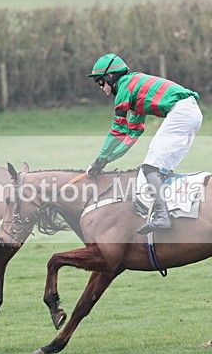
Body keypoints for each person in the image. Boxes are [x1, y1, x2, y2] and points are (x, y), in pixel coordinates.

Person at [85, 53, 203, 234]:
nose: (101, 87)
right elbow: (131, 136)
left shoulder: (124, 88)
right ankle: (172, 213)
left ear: (111, 76)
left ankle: (163, 217)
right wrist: (105, 160)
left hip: (181, 113)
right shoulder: (134, 89)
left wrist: (99, 160)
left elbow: (117, 131)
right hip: (192, 113)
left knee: (150, 167)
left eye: (100, 82)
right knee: (162, 170)